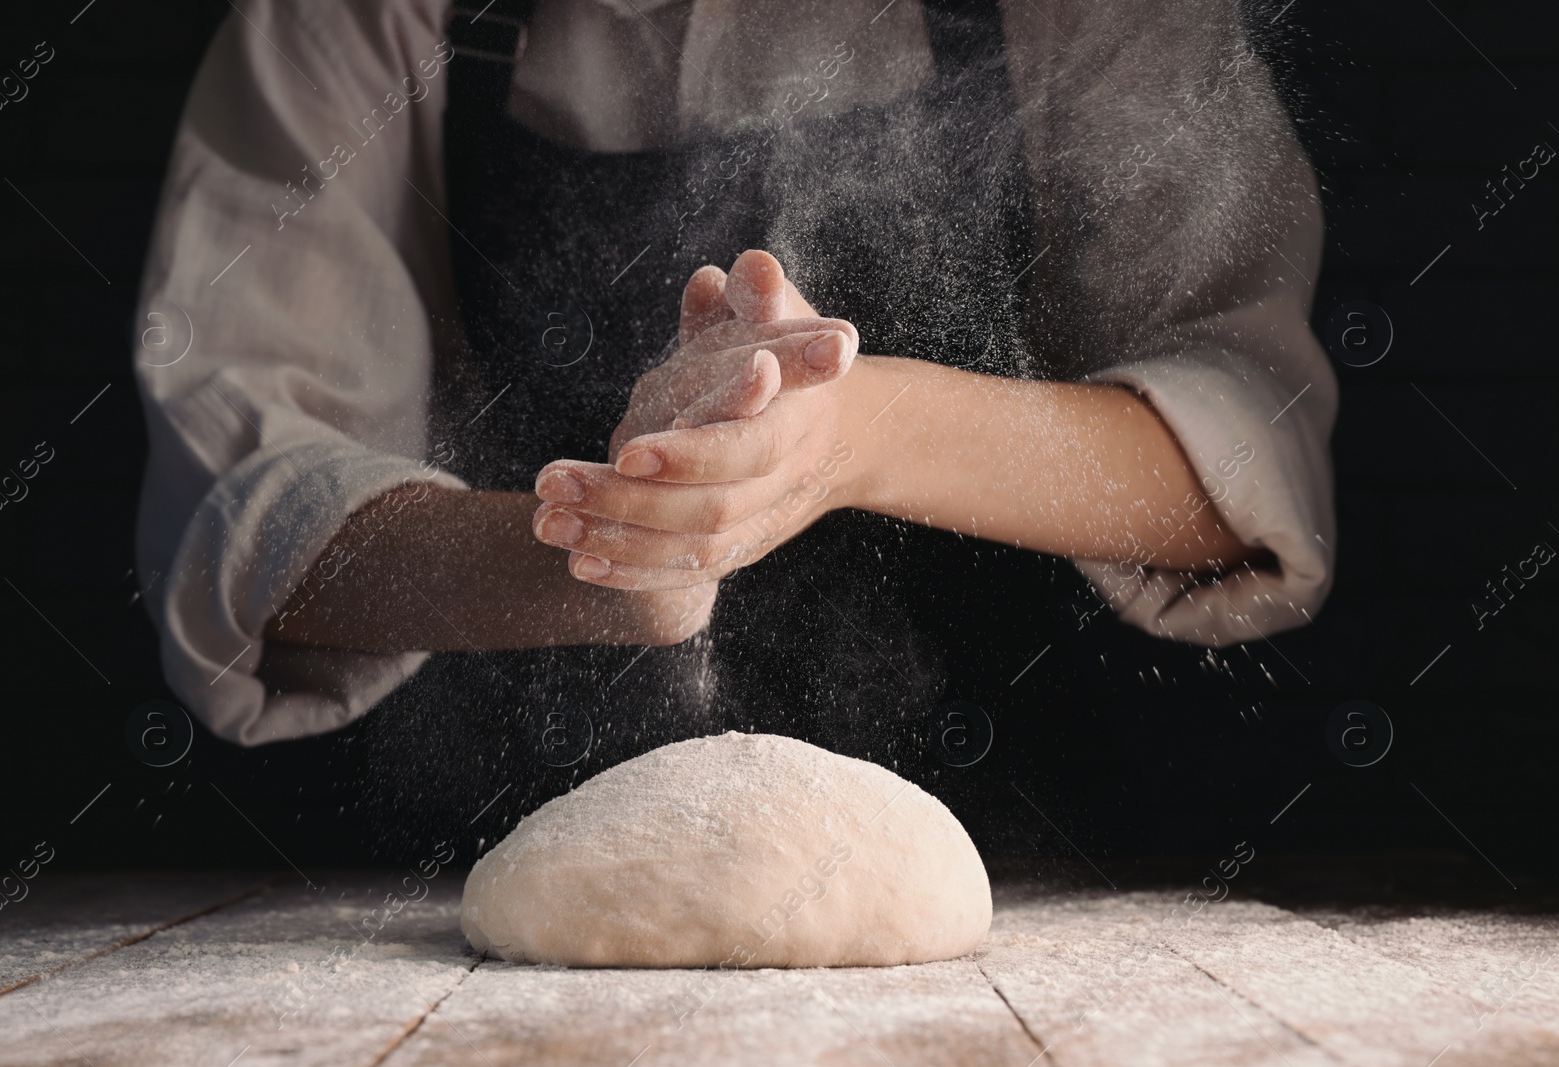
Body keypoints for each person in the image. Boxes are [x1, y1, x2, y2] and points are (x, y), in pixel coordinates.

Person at [133, 0, 1334, 838]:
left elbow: (1242, 463)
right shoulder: (358, 15)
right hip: (483, 871)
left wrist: (858, 433)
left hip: (1033, 866)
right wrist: (601, 551)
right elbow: (245, 500)